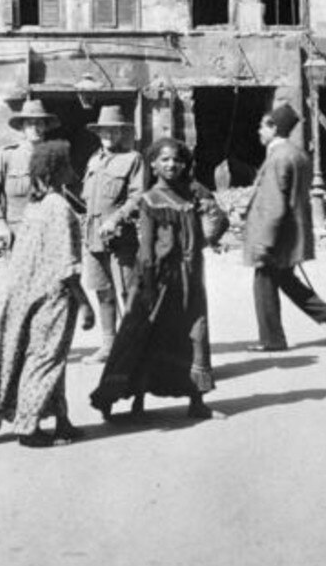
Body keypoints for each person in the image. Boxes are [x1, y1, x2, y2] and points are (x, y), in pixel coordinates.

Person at [0, 140, 95, 448]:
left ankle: (61, 420)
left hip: (25, 292)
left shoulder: (35, 205)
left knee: (43, 357)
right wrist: (85, 305)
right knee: (45, 359)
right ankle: (29, 427)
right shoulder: (59, 208)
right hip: (52, 296)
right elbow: (67, 265)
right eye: (67, 164)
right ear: (57, 170)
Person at [90, 136, 228, 422]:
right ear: (153, 164)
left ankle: (197, 402)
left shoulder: (194, 192)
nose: (171, 165)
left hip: (190, 278)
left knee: (194, 334)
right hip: (157, 279)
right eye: (164, 159)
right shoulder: (150, 198)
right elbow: (148, 247)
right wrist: (148, 285)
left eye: (177, 159)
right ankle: (118, 400)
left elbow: (219, 220)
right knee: (141, 333)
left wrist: (209, 226)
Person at [243, 104, 326, 352]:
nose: (258, 131)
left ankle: (272, 339)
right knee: (286, 280)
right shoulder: (297, 154)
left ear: (274, 128)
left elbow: (274, 204)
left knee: (263, 284)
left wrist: (264, 241)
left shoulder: (278, 158)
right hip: (291, 233)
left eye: (262, 126)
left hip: (275, 235)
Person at [81, 104, 144, 364]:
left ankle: (133, 346)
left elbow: (138, 196)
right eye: (104, 130)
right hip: (94, 235)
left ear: (122, 133)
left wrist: (116, 219)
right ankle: (108, 344)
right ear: (98, 132)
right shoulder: (93, 160)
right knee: (102, 289)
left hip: (121, 236)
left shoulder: (133, 159)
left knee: (128, 291)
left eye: (115, 130)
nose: (109, 134)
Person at [0, 99, 60, 248]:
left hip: (47, 233)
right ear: (22, 128)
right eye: (30, 123)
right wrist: (0, 224)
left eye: (40, 123)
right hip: (17, 232)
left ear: (45, 127)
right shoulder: (7, 156)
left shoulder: (54, 158)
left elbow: (59, 199)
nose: (35, 128)